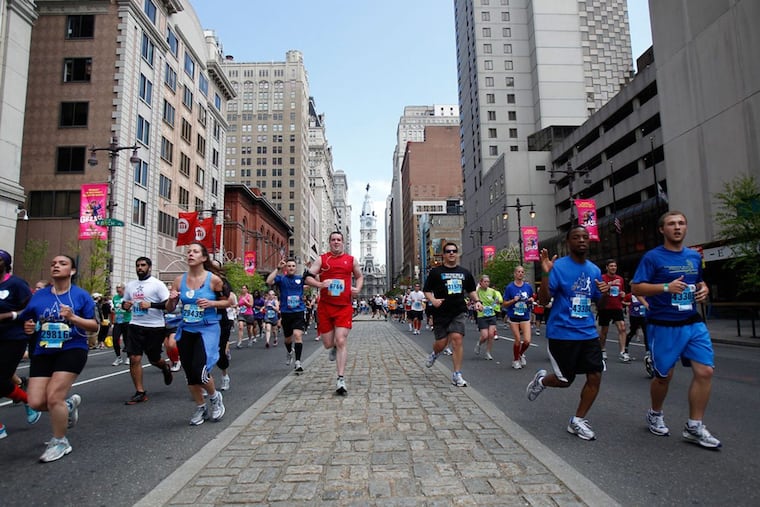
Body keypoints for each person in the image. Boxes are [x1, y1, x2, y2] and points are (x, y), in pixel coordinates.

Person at [631, 211, 721, 449]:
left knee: (705, 372)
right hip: (664, 324)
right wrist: (665, 287)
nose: (677, 227)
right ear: (662, 230)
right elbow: (635, 287)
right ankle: (655, 413)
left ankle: (694, 426)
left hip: (692, 321)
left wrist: (704, 289)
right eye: (671, 224)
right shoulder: (653, 257)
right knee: (663, 376)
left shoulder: (693, 256)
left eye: (681, 223)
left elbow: (698, 281)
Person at [525, 226, 609, 441]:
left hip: (588, 332)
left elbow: (601, 303)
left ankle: (578, 420)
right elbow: (543, 301)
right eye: (576, 237)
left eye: (585, 237)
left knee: (595, 375)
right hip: (562, 333)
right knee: (565, 381)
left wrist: (605, 293)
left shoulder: (594, 270)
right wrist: (545, 272)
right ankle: (542, 381)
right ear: (568, 243)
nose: (581, 240)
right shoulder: (558, 267)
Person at [17, 255, 97, 462]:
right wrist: (27, 327)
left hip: (72, 348)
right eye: (53, 263)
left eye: (62, 263)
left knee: (54, 397)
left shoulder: (81, 296)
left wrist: (73, 318)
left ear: (72, 271)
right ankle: (68, 406)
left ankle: (60, 441)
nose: (56, 266)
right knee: (35, 402)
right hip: (44, 351)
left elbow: (94, 326)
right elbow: (28, 319)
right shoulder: (40, 295)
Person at [165, 242, 230, 425]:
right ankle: (200, 407)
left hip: (207, 328)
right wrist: (172, 300)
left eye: (195, 252)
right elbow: (169, 307)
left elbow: (230, 302)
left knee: (200, 371)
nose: (190, 254)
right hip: (187, 329)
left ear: (203, 258)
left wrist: (212, 304)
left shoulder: (214, 280)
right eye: (189, 252)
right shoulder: (179, 280)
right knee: (190, 374)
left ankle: (215, 397)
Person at [304, 231, 363, 395]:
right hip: (325, 306)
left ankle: (341, 379)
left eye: (339, 240)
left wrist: (357, 289)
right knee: (329, 343)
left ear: (343, 242)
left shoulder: (351, 260)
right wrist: (321, 284)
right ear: (329, 242)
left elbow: (359, 277)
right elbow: (308, 277)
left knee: (341, 339)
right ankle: (334, 347)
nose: (336, 242)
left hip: (344, 306)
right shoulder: (322, 259)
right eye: (333, 240)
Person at [422, 242, 483, 387]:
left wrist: (478, 301)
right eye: (448, 251)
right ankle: (435, 354)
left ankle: (457, 374)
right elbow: (427, 290)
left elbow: (471, 290)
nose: (451, 253)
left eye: (454, 251)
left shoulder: (465, 273)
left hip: (458, 311)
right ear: (443, 255)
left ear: (457, 253)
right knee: (441, 344)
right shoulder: (436, 272)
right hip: (441, 312)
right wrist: (433, 300)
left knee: (457, 339)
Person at [121, 257, 173, 405]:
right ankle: (140, 392)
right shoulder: (131, 285)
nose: (140, 268)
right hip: (135, 325)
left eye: (143, 265)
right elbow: (125, 303)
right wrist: (126, 305)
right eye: (138, 265)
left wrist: (150, 304)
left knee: (154, 359)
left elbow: (169, 305)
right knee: (134, 358)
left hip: (155, 326)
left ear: (149, 268)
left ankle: (164, 366)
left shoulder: (157, 284)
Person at [0, 249, 41, 437]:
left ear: (6, 264)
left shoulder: (16, 284)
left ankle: (27, 401)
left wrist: (10, 315)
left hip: (13, 338)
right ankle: (27, 399)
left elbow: (30, 308)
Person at [267, 257, 307, 372]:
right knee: (288, 339)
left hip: (298, 312)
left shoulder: (300, 279)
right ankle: (289, 352)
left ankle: (298, 362)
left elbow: (315, 281)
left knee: (298, 335)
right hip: (286, 312)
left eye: (293, 266)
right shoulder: (281, 279)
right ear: (286, 267)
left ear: (296, 268)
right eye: (289, 266)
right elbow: (269, 281)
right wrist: (277, 268)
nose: (291, 268)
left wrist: (309, 268)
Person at [503, 265, 535, 369]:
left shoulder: (527, 287)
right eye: (518, 272)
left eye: (522, 272)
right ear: (515, 274)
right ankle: (515, 360)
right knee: (517, 339)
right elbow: (505, 304)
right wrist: (513, 300)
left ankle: (520, 354)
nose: (520, 274)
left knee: (527, 341)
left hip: (525, 315)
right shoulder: (510, 287)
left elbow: (532, 297)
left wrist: (531, 300)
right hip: (514, 316)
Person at [598, 259, 629, 363]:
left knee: (622, 328)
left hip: (617, 306)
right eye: (611, 266)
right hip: (605, 307)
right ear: (607, 267)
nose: (613, 268)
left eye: (614, 266)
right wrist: (609, 286)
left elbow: (622, 292)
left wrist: (622, 295)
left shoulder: (620, 279)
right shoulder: (602, 278)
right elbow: (598, 292)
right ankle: (602, 349)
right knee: (604, 331)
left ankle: (623, 352)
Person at [212, 261, 236, 391]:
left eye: (215, 267)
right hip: (203, 321)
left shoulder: (223, 283)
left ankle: (224, 375)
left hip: (221, 320)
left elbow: (229, 301)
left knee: (220, 352)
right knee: (204, 352)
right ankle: (205, 380)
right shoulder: (201, 281)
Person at [473, 274, 503, 361]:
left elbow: (498, 300)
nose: (487, 283)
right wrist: (478, 306)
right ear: (481, 283)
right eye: (485, 282)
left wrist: (493, 305)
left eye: (488, 282)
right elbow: (474, 297)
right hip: (482, 315)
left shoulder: (492, 291)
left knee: (491, 335)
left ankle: (488, 353)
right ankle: (479, 344)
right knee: (484, 336)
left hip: (491, 315)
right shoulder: (478, 291)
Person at [626, 292, 652, 377]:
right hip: (634, 315)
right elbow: (624, 301)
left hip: (643, 315)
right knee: (633, 331)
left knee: (646, 333)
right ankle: (625, 349)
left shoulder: (646, 295)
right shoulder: (630, 295)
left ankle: (648, 352)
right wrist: (629, 305)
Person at [110, 283, 131, 366]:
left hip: (127, 320)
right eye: (117, 288)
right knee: (115, 339)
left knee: (127, 340)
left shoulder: (127, 297)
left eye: (120, 288)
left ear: (124, 289)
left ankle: (129, 357)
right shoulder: (115, 298)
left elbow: (131, 309)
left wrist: (127, 308)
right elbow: (113, 308)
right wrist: (113, 313)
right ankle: (118, 357)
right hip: (118, 321)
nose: (118, 290)